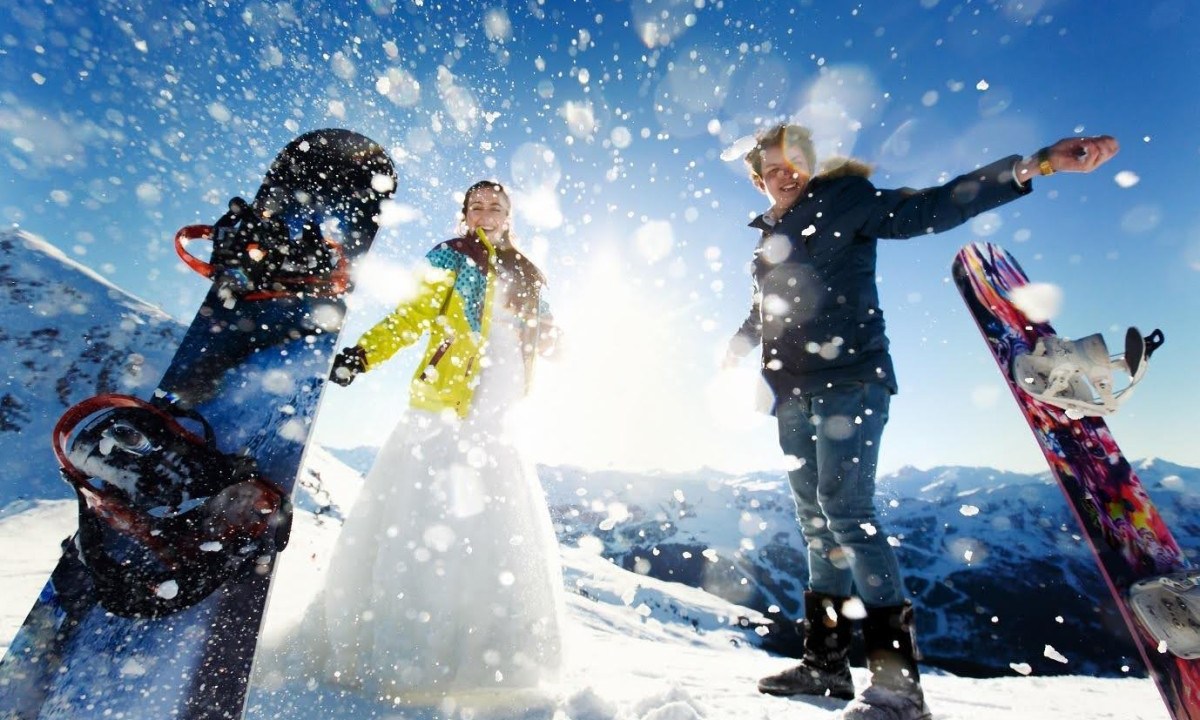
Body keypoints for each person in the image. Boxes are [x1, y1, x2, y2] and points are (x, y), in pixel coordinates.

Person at [723, 124, 1118, 719]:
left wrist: (1036, 165)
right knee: (815, 525)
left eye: (795, 160)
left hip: (851, 379)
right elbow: (768, 303)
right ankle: (825, 666)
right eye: (772, 168)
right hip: (790, 392)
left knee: (848, 516)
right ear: (757, 181)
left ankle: (898, 689)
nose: (786, 173)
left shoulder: (845, 201)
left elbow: (929, 209)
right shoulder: (769, 238)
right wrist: (740, 343)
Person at [309, 180, 564, 704]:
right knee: (426, 522)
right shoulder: (450, 256)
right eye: (477, 206)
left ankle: (487, 657)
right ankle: (410, 653)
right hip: (446, 404)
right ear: (464, 214)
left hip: (500, 407)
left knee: (491, 527)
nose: (487, 213)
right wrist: (365, 353)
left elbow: (543, 330)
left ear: (510, 216)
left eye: (496, 207)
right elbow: (413, 315)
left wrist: (558, 341)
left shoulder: (528, 271)